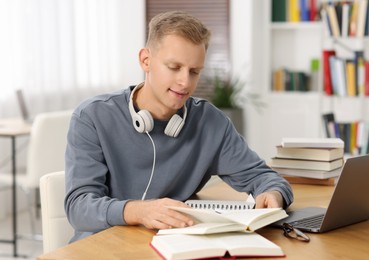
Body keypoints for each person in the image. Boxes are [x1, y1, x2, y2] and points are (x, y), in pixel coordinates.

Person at [65, 10, 293, 242]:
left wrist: (272, 194)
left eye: (194, 72)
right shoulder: (93, 116)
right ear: (146, 60)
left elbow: (264, 177)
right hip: (101, 247)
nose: (185, 82)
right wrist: (140, 211)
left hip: (172, 246)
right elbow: (79, 206)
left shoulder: (210, 122)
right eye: (174, 67)